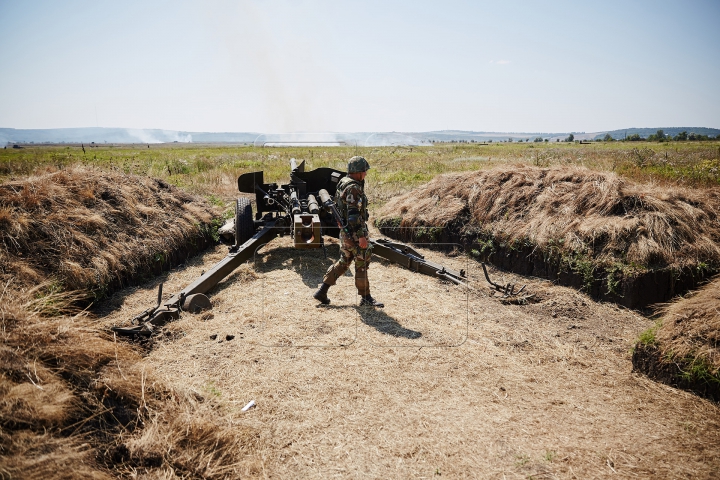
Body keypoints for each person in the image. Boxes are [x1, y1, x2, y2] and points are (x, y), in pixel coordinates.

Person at [314, 156, 384, 307]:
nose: (365, 174)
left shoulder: (343, 183)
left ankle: (322, 291)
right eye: (364, 171)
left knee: (344, 261)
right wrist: (361, 237)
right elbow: (353, 216)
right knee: (362, 263)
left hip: (345, 232)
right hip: (354, 231)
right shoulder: (354, 188)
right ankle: (366, 298)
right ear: (358, 171)